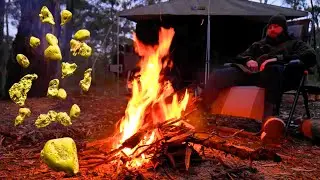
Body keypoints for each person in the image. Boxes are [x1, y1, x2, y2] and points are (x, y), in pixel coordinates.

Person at [200, 14, 317, 120]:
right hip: (254, 75)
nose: (272, 30)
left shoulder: (294, 43)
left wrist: (278, 59)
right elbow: (241, 56)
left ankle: (268, 119)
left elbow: (310, 56)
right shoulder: (259, 44)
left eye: (276, 26)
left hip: (280, 76)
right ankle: (201, 110)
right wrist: (249, 60)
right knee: (218, 74)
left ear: (284, 29)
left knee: (273, 69)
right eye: (269, 27)